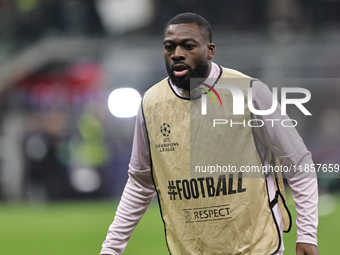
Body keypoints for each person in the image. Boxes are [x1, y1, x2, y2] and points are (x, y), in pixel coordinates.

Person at [100, 12, 319, 255]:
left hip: (257, 248)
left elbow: (298, 162)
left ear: (210, 50)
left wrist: (307, 234)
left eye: (188, 46)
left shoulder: (250, 92)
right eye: (169, 47)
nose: (177, 54)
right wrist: (111, 249)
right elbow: (141, 182)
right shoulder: (150, 104)